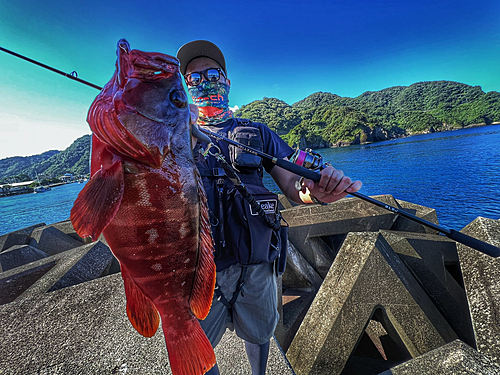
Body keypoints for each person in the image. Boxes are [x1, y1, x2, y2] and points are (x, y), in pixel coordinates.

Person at [177, 40, 362, 375]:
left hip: (257, 262)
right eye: (194, 79)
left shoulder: (258, 132)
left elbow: (294, 187)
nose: (204, 83)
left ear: (227, 81)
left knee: (261, 331)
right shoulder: (174, 137)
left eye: (212, 74)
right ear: (187, 89)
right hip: (198, 270)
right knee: (196, 352)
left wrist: (317, 192)